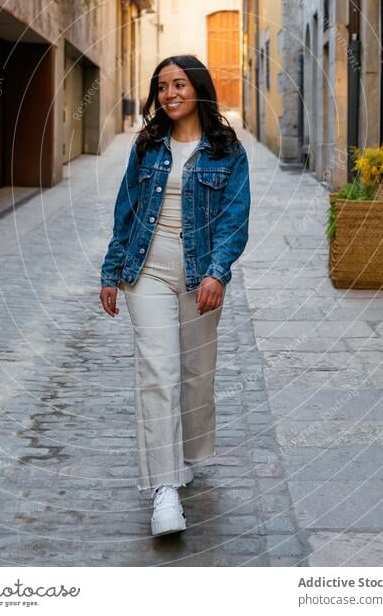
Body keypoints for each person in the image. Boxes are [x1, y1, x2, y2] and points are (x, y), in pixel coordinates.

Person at [99, 55, 251, 536]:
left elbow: (234, 217)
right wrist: (111, 270)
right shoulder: (146, 146)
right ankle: (165, 491)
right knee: (158, 373)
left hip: (200, 270)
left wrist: (217, 272)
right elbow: (126, 207)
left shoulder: (228, 150)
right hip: (147, 267)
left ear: (198, 89)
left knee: (195, 374)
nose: (169, 94)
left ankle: (188, 454)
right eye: (162, 86)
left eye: (179, 84)